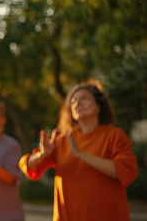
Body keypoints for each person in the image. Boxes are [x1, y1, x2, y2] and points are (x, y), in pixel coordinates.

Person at [19, 80, 138, 221]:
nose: (77, 104)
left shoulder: (114, 135)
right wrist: (42, 154)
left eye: (84, 99)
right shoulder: (62, 140)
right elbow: (29, 167)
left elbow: (124, 170)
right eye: (74, 101)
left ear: (99, 106)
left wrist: (80, 154)